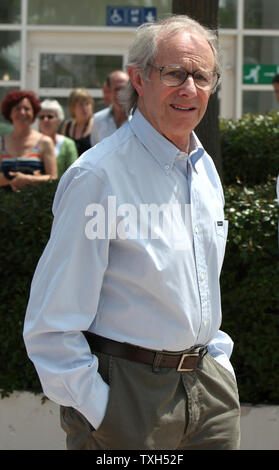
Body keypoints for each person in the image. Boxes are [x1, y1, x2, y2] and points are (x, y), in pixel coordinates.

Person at [23, 15, 241, 450]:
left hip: (210, 394)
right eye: (175, 73)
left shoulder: (204, 172)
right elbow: (51, 325)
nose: (189, 88)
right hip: (127, 402)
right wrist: (103, 409)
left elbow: (200, 285)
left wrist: (219, 364)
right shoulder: (98, 177)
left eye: (202, 76)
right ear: (139, 79)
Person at [0, 90, 57, 192]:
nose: (22, 113)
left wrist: (28, 179)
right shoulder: (1, 142)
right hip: (5, 206)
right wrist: (10, 179)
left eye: (27, 109)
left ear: (33, 113)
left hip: (33, 206)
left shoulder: (44, 142)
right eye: (17, 109)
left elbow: (53, 178)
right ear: (10, 113)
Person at [39, 99, 78, 178]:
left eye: (50, 117)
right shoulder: (33, 142)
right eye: (42, 117)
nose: (45, 120)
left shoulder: (68, 144)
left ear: (59, 120)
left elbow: (73, 174)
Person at [90, 70, 129, 146]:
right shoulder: (98, 120)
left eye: (124, 89)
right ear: (108, 91)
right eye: (117, 89)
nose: (121, 94)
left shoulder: (139, 119)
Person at [61, 88, 94, 156]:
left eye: (87, 104)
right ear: (72, 107)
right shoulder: (67, 125)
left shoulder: (96, 124)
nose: (85, 108)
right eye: (81, 104)